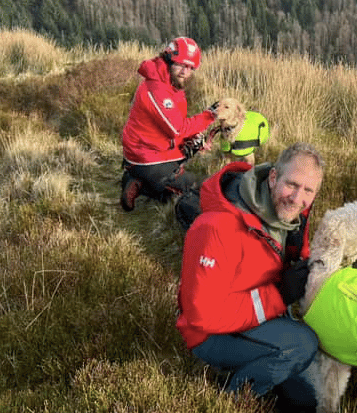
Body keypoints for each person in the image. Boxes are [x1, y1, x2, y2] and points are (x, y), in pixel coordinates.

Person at [176, 142, 324, 412]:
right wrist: (279, 295)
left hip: (260, 316)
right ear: (273, 177)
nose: (297, 198)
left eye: (308, 190)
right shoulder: (217, 226)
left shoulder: (292, 215)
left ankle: (261, 367)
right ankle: (231, 401)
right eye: (292, 184)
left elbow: (295, 252)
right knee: (302, 345)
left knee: (305, 401)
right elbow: (202, 315)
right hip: (209, 333)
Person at [120, 36, 219, 211]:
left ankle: (139, 179)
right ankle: (140, 181)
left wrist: (195, 139)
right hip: (145, 156)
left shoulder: (171, 83)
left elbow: (176, 125)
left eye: (190, 67)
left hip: (157, 148)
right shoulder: (157, 88)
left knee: (193, 144)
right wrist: (208, 116)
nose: (185, 72)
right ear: (168, 59)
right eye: (180, 64)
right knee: (194, 188)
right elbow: (177, 128)